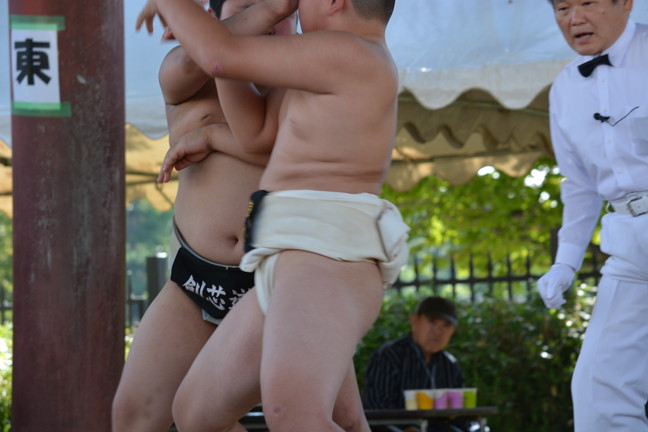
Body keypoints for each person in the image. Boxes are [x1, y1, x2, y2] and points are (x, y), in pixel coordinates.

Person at [149, 0, 410, 431]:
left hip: (327, 255)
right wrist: (221, 42)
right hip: (285, 257)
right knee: (196, 413)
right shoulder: (323, 64)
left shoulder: (351, 51)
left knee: (295, 415)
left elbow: (220, 55)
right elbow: (256, 133)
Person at [536, 0, 648, 430]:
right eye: (562, 7)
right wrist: (565, 263)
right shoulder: (564, 88)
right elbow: (580, 186)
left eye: (587, 3)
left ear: (626, 3)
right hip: (628, 245)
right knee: (598, 388)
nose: (575, 18)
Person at [362, 296, 468, 432]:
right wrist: (405, 428)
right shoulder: (389, 356)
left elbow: (460, 416)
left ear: (453, 331)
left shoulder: (450, 365)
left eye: (446, 325)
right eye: (432, 322)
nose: (438, 331)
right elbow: (376, 408)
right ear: (414, 321)